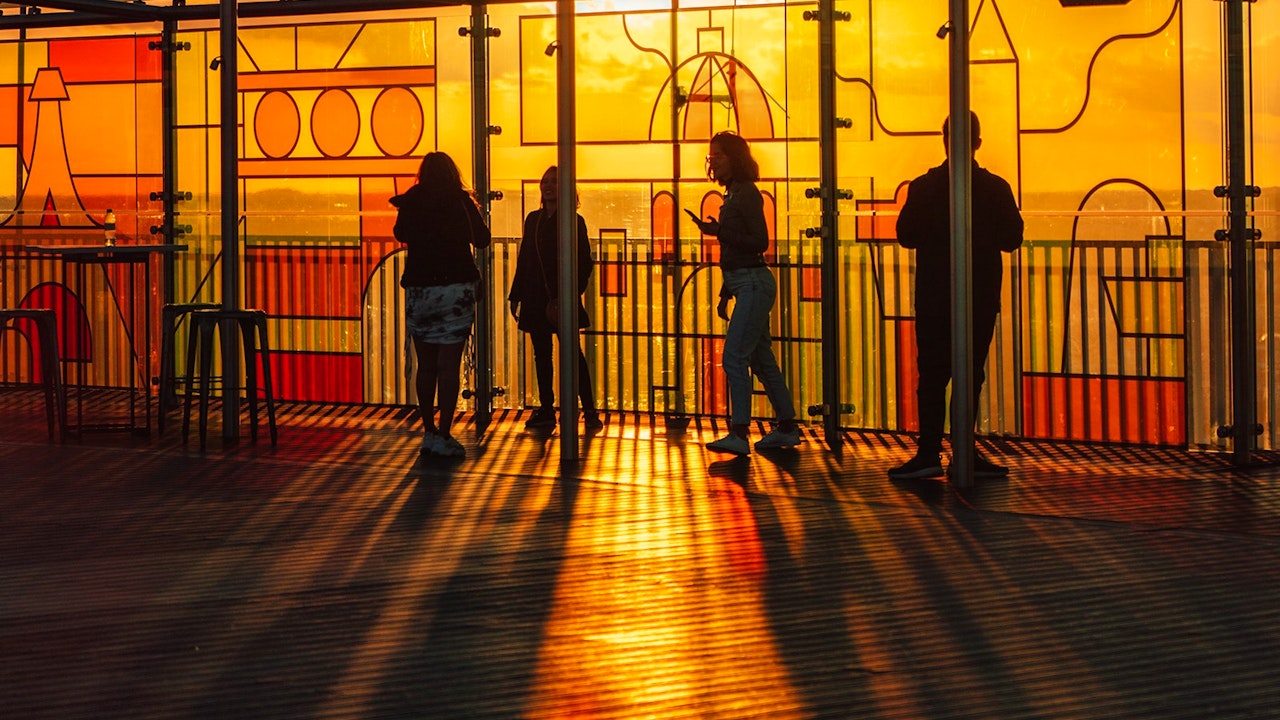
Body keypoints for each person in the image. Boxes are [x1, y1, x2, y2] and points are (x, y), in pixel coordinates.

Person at [890, 112, 1023, 479]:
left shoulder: (923, 187)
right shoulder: (996, 188)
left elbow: (906, 235)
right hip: (979, 297)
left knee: (932, 375)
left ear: (944, 139)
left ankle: (928, 452)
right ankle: (964, 450)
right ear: (978, 142)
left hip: (934, 296)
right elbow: (1013, 238)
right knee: (970, 375)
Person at [687, 131, 800, 456]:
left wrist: (719, 230)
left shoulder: (747, 194)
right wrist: (726, 291)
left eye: (718, 156)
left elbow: (759, 242)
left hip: (752, 283)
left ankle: (739, 431)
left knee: (734, 357)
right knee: (762, 360)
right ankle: (786, 427)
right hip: (745, 283)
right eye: (711, 157)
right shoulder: (735, 193)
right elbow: (738, 251)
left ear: (734, 158)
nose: (713, 162)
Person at [391, 151, 492, 457]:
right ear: (452, 172)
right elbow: (483, 238)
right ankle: (445, 433)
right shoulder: (460, 201)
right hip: (455, 291)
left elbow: (400, 233)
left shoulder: (412, 200)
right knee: (449, 366)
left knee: (427, 365)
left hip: (421, 291)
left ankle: (428, 432)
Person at [507, 166, 603, 431]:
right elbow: (525, 258)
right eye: (545, 181)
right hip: (538, 295)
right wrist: (516, 295)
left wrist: (571, 294)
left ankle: (587, 408)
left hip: (559, 296)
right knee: (543, 354)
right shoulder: (534, 219)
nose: (548, 185)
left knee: (571, 353)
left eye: (554, 182)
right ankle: (549, 408)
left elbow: (584, 262)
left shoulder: (573, 220)